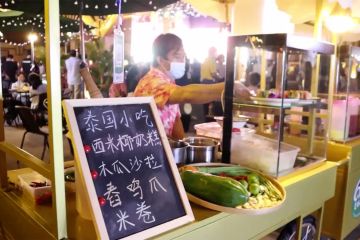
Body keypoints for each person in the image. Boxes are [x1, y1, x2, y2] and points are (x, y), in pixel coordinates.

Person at [134, 33, 250, 140]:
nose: (182, 61)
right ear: (160, 60)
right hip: (147, 151)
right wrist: (230, 87)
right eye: (177, 57)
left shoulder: (168, 81)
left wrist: (183, 146)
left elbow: (175, 120)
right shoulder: (151, 82)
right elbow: (186, 94)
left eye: (183, 57)